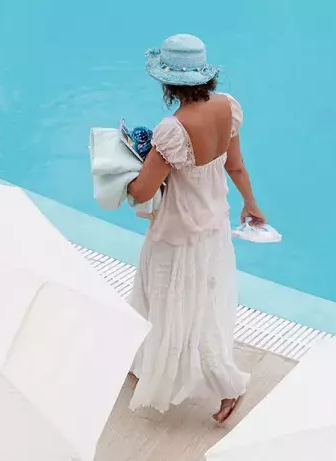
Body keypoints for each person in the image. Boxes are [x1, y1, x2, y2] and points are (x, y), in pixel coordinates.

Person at [126, 34, 265, 424]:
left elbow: (143, 191)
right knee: (200, 302)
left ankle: (228, 383)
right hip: (213, 225)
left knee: (170, 302)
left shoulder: (172, 130)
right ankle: (143, 362)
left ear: (167, 83)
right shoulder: (228, 108)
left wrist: (122, 175)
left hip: (176, 233)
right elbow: (234, 166)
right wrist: (251, 205)